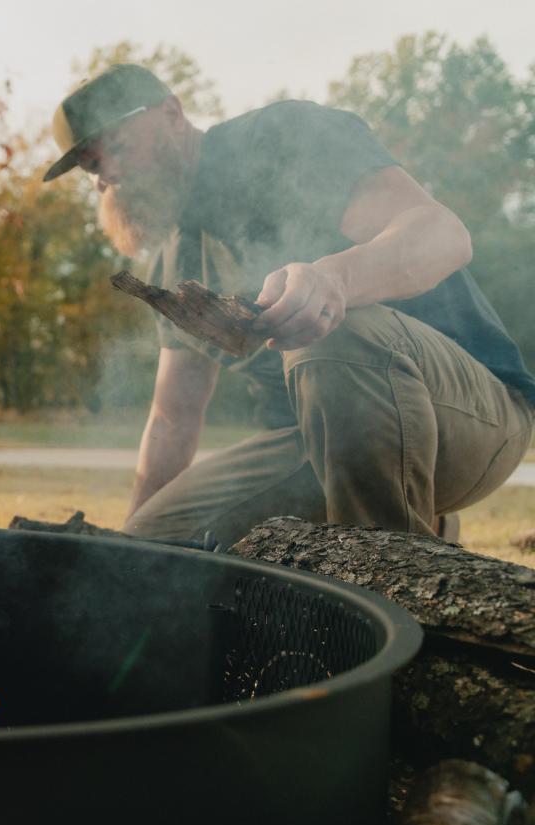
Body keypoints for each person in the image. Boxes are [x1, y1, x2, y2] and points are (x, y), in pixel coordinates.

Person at [42, 64, 535, 546]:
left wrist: (335, 280)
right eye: (92, 167)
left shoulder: (281, 140)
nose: (108, 176)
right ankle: (420, 530)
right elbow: (172, 418)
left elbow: (444, 236)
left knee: (332, 328)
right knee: (155, 548)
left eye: (118, 147)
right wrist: (120, 555)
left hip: (470, 416)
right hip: (310, 449)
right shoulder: (176, 262)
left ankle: (393, 595)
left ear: (172, 113)